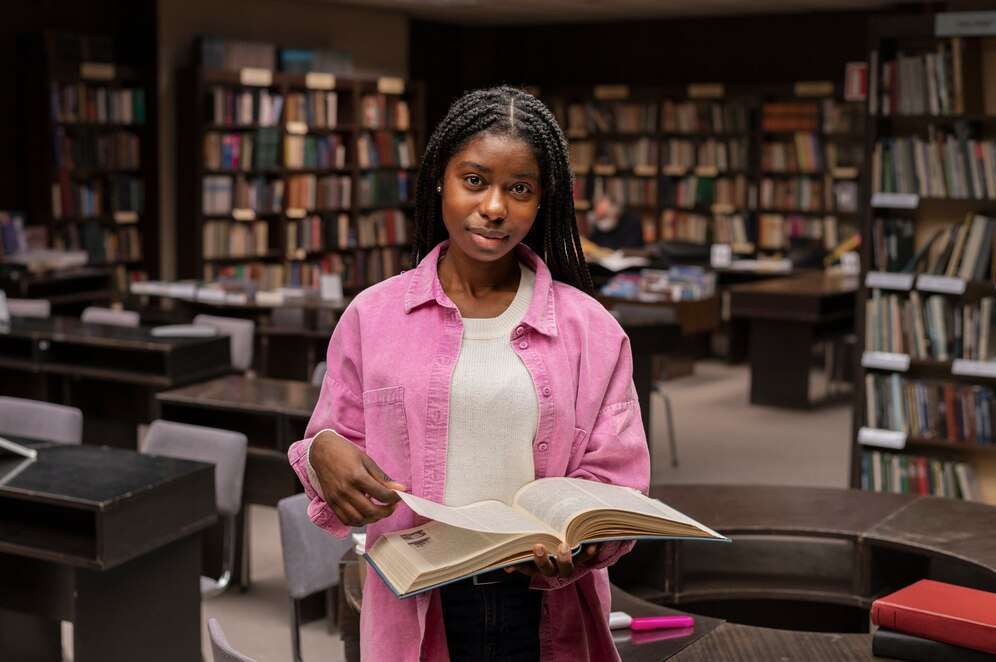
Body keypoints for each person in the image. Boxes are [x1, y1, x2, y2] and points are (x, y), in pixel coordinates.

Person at [287, 86, 650, 662]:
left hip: (542, 605)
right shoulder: (373, 316)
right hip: (417, 599)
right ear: (440, 180)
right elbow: (330, 440)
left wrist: (586, 537)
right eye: (475, 180)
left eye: (520, 189)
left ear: (542, 199)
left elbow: (618, 477)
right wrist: (319, 451)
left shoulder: (592, 330)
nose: (495, 208)